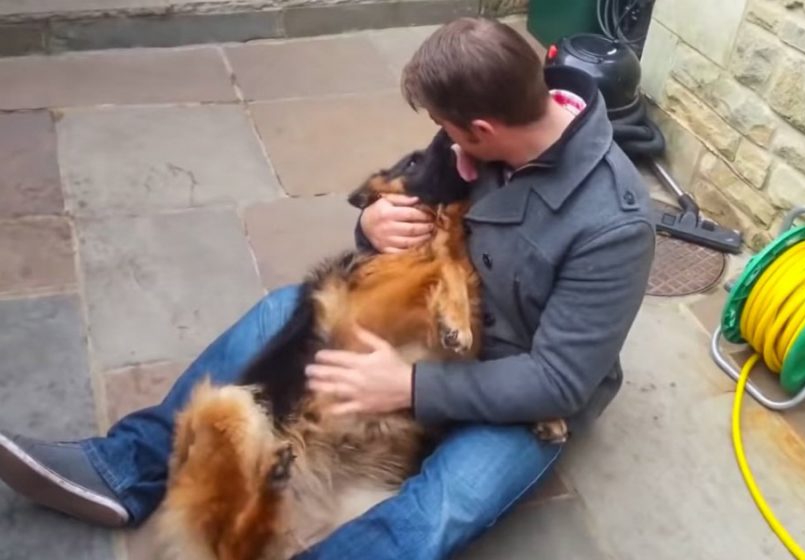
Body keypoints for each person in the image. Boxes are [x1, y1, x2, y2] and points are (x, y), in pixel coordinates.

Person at [0, 16, 655, 559]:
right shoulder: (487, 120)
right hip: (424, 323)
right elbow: (409, 202)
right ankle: (127, 466)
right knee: (280, 314)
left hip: (518, 387)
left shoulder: (613, 225)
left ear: (482, 129)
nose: (442, 138)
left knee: (447, 504)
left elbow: (561, 380)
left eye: (449, 128)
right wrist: (373, 223)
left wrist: (409, 388)